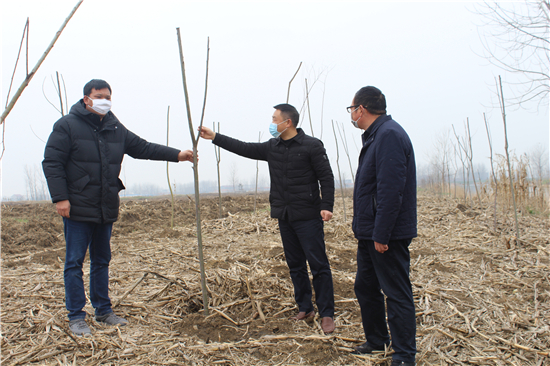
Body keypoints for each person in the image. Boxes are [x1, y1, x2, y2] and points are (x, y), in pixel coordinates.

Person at [42, 79, 194, 337]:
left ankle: (103, 310)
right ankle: (76, 316)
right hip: (78, 206)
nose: (105, 101)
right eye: (99, 96)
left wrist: (177, 155)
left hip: (105, 204)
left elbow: (143, 147)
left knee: (101, 260)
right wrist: (60, 198)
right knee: (74, 262)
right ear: (86, 99)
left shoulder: (114, 126)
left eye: (108, 96)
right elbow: (52, 162)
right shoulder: (67, 126)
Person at [198, 104, 336, 334]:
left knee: (318, 265)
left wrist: (327, 206)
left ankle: (327, 314)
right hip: (285, 215)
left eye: (274, 119)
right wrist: (215, 137)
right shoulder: (273, 147)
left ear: (287, 122)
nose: (272, 123)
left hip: (308, 216)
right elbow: (244, 148)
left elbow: (326, 177)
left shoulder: (312, 145)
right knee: (295, 265)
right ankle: (305, 307)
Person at [349, 86, 417, 366]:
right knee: (365, 287)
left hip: (384, 233)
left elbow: (391, 190)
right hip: (370, 231)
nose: (351, 114)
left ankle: (403, 355)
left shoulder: (388, 135)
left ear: (361, 109)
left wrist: (382, 233)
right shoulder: (377, 136)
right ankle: (377, 341)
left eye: (351, 109)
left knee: (396, 292)